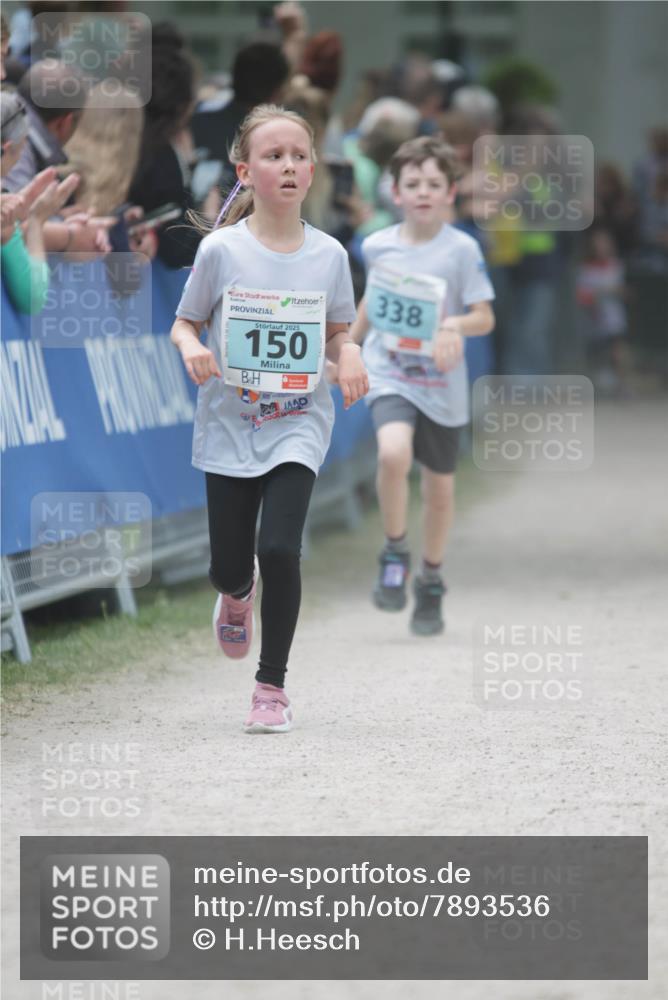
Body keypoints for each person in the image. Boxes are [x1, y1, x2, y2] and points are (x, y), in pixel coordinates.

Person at [170, 104, 368, 733]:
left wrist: (351, 353)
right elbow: (184, 321)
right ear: (245, 171)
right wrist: (194, 348)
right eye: (273, 155)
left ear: (313, 171)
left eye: (299, 156)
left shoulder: (330, 254)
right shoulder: (221, 250)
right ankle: (235, 593)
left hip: (298, 422)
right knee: (231, 563)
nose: (288, 166)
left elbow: (338, 331)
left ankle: (271, 688)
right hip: (230, 422)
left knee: (279, 547)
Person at [348, 135, 495, 635]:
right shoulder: (377, 245)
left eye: (434, 183)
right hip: (389, 370)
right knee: (392, 454)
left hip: (441, 383)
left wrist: (453, 327)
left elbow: (484, 317)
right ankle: (394, 549)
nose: (424, 192)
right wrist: (348, 347)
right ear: (395, 191)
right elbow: (372, 299)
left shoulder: (462, 250)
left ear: (451, 191)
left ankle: (430, 578)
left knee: (439, 491)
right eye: (413, 183)